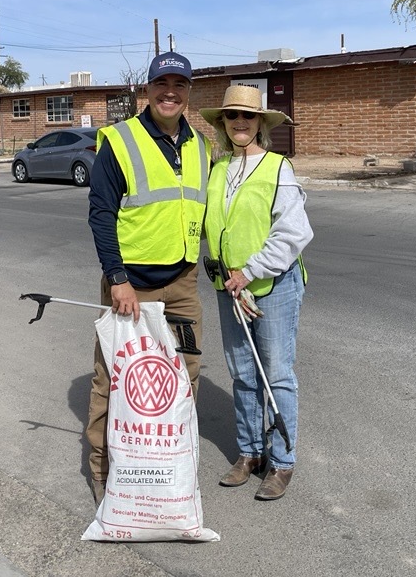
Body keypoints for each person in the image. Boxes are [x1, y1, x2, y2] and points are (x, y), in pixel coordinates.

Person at [86, 51, 212, 504]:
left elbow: (204, 210)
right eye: (162, 83)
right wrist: (116, 278)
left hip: (182, 282)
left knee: (185, 376)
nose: (170, 92)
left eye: (179, 85)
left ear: (189, 92)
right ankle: (103, 475)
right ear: (148, 89)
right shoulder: (119, 141)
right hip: (130, 286)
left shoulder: (201, 144)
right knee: (114, 379)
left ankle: (169, 465)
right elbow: (101, 214)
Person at [200, 84, 312, 502]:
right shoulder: (217, 169)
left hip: (272, 284)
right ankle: (249, 453)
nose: (240, 123)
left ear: (260, 123)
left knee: (276, 373)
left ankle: (281, 461)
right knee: (243, 373)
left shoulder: (277, 168)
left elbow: (293, 232)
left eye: (248, 117)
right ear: (223, 124)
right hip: (230, 288)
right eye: (232, 117)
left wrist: (250, 271)